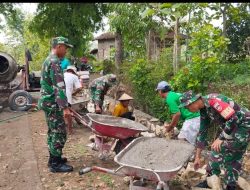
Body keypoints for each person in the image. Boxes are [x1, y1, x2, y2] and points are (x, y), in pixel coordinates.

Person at [179, 90, 250, 190]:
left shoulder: (213, 101)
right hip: (235, 127)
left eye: (187, 107)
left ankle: (212, 178)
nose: (187, 109)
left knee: (218, 148)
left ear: (193, 101)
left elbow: (232, 117)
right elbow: (202, 131)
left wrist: (221, 138)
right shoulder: (203, 110)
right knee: (235, 156)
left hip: (243, 126)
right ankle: (230, 185)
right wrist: (197, 157)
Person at [38, 36, 74, 173]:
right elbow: (58, 86)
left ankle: (54, 158)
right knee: (59, 132)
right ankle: (55, 164)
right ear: (59, 46)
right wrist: (65, 107)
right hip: (53, 104)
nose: (66, 51)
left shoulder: (48, 60)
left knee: (52, 131)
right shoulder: (54, 62)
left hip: (48, 102)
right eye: (65, 48)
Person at [155, 81, 200, 145]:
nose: (158, 93)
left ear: (160, 91)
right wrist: (172, 124)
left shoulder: (169, 98)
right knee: (191, 142)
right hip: (196, 118)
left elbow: (177, 114)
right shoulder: (175, 94)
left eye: (158, 91)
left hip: (192, 119)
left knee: (182, 142)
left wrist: (170, 127)